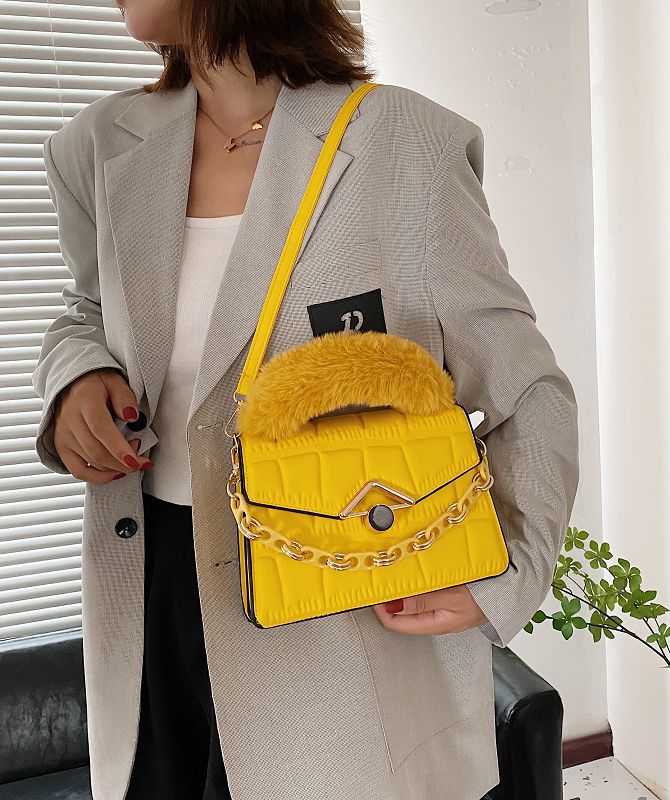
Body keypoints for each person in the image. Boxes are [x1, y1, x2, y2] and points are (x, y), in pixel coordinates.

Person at [30, 1, 580, 799]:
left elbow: (526, 388)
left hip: (338, 589)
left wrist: (508, 573)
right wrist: (77, 373)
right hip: (150, 591)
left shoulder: (404, 142)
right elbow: (87, 307)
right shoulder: (97, 145)